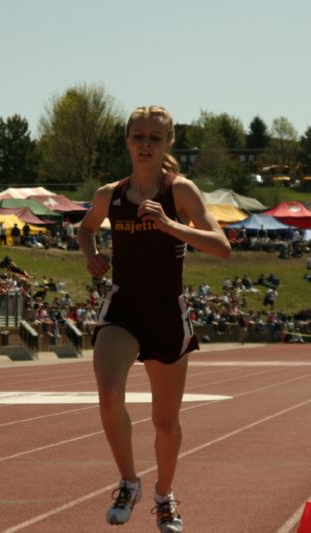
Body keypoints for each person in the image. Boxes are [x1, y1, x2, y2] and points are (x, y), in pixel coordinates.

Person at [77, 105, 230, 532]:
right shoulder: (110, 195)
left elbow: (221, 246)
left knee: (165, 421)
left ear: (168, 144)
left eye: (154, 138)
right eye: (138, 136)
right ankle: (128, 481)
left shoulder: (179, 191)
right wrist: (92, 257)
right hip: (124, 309)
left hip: (166, 312)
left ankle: (164, 495)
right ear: (126, 141)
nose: (145, 144)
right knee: (108, 394)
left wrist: (170, 225)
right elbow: (85, 228)